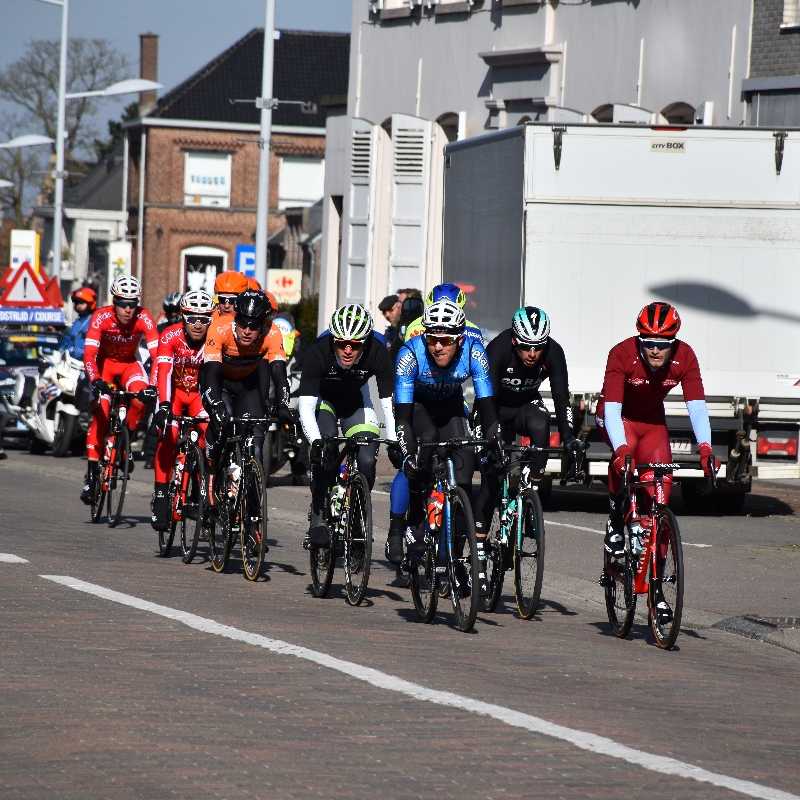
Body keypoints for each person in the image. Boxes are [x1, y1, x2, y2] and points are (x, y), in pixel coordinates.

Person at [597, 302, 717, 620]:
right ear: (639, 339)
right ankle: (615, 515)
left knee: (660, 497)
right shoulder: (621, 353)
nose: (654, 351)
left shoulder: (685, 356)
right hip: (618, 417)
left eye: (661, 345)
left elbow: (697, 406)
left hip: (652, 424)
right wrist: (621, 448)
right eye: (648, 343)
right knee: (623, 464)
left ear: (673, 342)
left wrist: (705, 448)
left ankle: (657, 593)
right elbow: (610, 410)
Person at [389, 298, 502, 566]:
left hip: (450, 406)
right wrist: (409, 453)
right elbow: (403, 419)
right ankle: (411, 523)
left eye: (446, 341)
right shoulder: (410, 354)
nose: (438, 346)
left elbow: (487, 406)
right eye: (432, 339)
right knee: (422, 455)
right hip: (415, 405)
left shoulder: (474, 352)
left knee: (464, 475)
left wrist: (492, 436)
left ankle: (453, 557)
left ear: (460, 340)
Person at [474, 306, 582, 537]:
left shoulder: (553, 352)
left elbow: (561, 398)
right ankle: (480, 547)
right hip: (494, 407)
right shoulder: (498, 349)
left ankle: (529, 494)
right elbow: (485, 397)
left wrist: (570, 437)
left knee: (542, 424)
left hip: (525, 405)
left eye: (538, 347)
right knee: (490, 479)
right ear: (514, 341)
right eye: (525, 347)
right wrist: (491, 432)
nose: (532, 353)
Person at [297, 304, 397, 547]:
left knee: (367, 459)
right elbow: (306, 407)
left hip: (356, 401)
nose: (348, 350)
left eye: (355, 345)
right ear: (333, 340)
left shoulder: (377, 352)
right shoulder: (318, 352)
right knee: (327, 443)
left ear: (366, 342)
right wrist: (316, 442)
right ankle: (319, 516)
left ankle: (357, 514)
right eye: (341, 344)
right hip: (325, 401)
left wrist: (394, 439)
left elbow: (388, 403)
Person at [80, 275, 158, 503]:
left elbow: (158, 356)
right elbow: (89, 354)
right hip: (104, 367)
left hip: (128, 366)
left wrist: (152, 386)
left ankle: (126, 442)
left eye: (132, 304)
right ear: (114, 301)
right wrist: (94, 379)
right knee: (101, 416)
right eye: (123, 303)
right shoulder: (101, 317)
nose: (128, 309)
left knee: (140, 397)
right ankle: (92, 476)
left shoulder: (144, 317)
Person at [200, 290, 292, 477]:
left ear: (263, 325)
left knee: (255, 440)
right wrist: (216, 404)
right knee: (222, 424)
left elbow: (279, 373)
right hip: (220, 383)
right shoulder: (219, 328)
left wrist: (283, 405)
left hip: (247, 386)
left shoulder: (272, 333)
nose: (247, 331)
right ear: (235, 319)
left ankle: (250, 498)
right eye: (242, 324)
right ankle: (211, 468)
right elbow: (211, 372)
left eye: (254, 325)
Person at [150, 290, 214, 531]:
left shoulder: (213, 339)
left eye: (204, 319)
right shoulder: (170, 335)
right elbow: (163, 372)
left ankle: (203, 495)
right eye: (192, 318)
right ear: (183, 317)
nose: (198, 325)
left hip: (198, 396)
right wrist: (164, 405)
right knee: (170, 435)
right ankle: (160, 494)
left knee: (210, 437)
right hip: (174, 393)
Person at [59, 286, 96, 360]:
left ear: (90, 303)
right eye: (76, 302)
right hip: (72, 362)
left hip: (88, 364)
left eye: (81, 303)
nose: (78, 305)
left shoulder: (95, 321)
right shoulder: (77, 322)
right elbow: (68, 341)